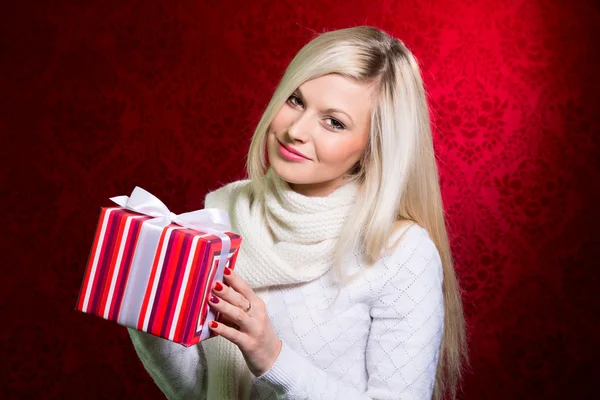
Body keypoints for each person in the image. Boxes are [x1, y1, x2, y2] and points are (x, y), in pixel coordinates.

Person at [128, 26, 467, 400]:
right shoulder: (221, 214)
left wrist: (272, 357)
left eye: (334, 122)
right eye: (295, 100)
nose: (296, 130)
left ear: (373, 147)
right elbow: (199, 392)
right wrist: (146, 312)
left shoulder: (401, 253)